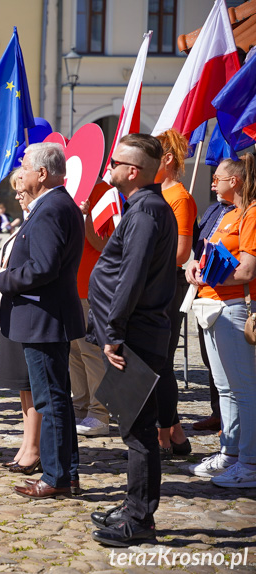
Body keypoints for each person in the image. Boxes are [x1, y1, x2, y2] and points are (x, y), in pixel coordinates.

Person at [86, 133, 177, 546]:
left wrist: (114, 332)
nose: (110, 168)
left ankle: (140, 520)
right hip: (135, 334)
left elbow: (132, 276)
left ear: (133, 171)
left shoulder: (145, 212)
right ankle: (133, 506)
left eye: (115, 163)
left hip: (134, 337)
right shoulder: (146, 207)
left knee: (138, 431)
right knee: (134, 427)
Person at [0, 142, 84, 500]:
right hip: (45, 316)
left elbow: (43, 268)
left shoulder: (51, 208)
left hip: (43, 317)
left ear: (41, 174)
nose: (20, 173)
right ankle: (66, 473)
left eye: (25, 168)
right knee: (55, 397)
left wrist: (3, 280)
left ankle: (57, 477)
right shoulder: (53, 206)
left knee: (50, 400)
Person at [185, 154, 256, 488]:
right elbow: (210, 255)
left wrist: (210, 276)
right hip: (213, 306)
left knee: (243, 390)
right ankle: (230, 454)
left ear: (236, 181)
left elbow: (246, 270)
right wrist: (194, 268)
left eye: (219, 177)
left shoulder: (252, 213)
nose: (214, 182)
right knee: (226, 388)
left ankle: (251, 461)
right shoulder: (231, 214)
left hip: (233, 308)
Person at [0, 169, 40, 474]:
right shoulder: (21, 224)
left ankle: (34, 447)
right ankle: (26, 442)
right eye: (15, 191)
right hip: (10, 307)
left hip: (28, 312)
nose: (17, 195)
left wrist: (3, 278)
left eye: (20, 189)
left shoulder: (40, 220)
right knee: (22, 388)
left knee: (32, 386)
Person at [155, 128, 197, 459]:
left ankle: (164, 437)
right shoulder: (155, 194)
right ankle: (176, 433)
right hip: (153, 286)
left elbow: (182, 254)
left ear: (167, 159)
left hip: (168, 287)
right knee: (153, 361)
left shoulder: (179, 198)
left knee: (160, 362)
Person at [70, 182, 113, 438]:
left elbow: (104, 244)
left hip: (91, 287)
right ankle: (80, 406)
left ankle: (99, 413)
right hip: (69, 287)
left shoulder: (103, 192)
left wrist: (85, 216)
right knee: (73, 353)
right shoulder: (68, 190)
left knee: (91, 353)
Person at [191, 199, 235, 432]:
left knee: (233, 363)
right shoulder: (213, 209)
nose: (213, 185)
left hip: (232, 298)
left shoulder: (245, 212)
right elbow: (199, 244)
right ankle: (218, 413)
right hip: (206, 294)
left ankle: (234, 422)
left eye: (218, 179)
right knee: (211, 358)